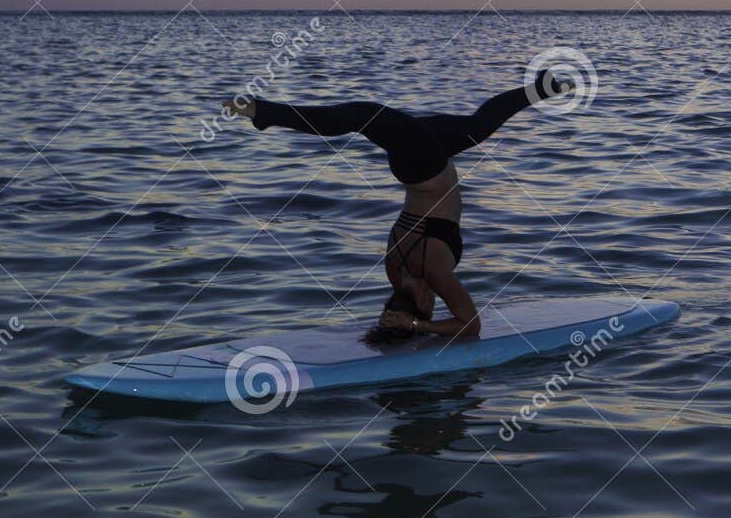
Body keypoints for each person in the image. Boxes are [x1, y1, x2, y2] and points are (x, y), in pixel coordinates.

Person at [223, 69, 571, 339]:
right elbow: (432, 313)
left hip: (424, 166)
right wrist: (402, 322)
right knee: (479, 125)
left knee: (363, 115)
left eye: (430, 308)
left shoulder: (432, 271)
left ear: (421, 301)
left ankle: (265, 113)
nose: (436, 307)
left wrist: (417, 326)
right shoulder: (395, 269)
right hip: (427, 160)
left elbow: (470, 325)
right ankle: (543, 88)